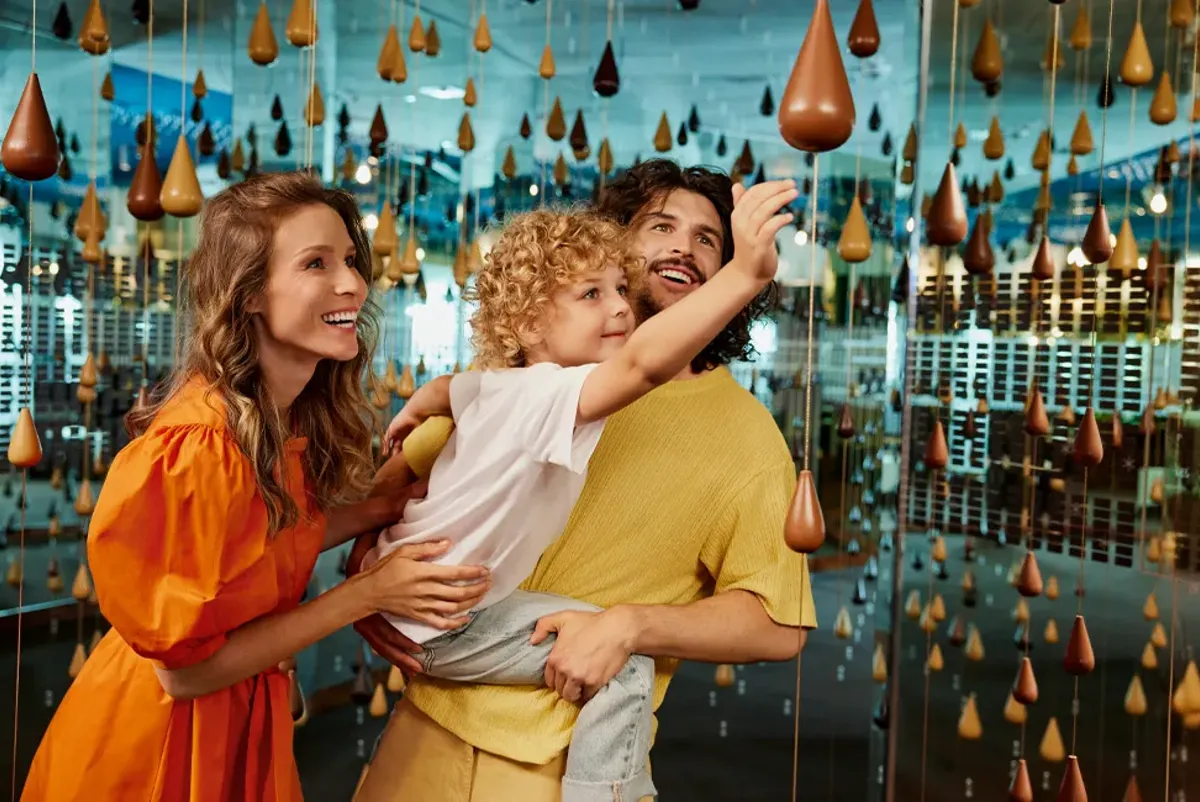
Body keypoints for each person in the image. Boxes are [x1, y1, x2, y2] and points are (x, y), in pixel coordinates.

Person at [351, 159, 820, 802]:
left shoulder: (748, 437)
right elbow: (396, 489)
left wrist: (629, 626)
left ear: (729, 277)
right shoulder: (538, 378)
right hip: (424, 731)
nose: (683, 246)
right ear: (617, 243)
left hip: (559, 765)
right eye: (661, 226)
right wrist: (366, 586)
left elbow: (779, 625)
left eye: (709, 239)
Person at [21, 172, 491, 802]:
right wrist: (367, 593)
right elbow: (182, 678)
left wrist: (385, 507)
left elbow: (265, 548)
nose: (352, 282)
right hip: (159, 745)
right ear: (248, 295)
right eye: (315, 264)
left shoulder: (265, 421)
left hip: (232, 722)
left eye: (350, 260)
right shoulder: (202, 447)